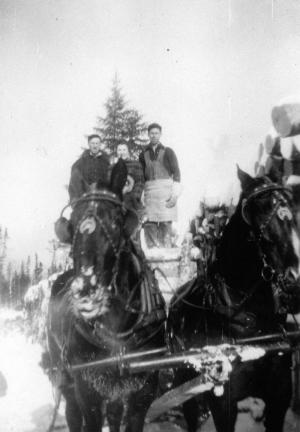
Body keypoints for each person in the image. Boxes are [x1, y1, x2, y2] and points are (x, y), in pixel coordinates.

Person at [139, 123, 181, 248]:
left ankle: (167, 259)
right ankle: (151, 260)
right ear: (148, 135)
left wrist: (175, 196)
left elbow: (177, 174)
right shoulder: (143, 154)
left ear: (160, 134)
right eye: (151, 133)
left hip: (165, 195)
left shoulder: (168, 152)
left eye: (156, 133)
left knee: (166, 227)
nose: (154, 135)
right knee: (149, 225)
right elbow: (141, 178)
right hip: (150, 195)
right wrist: (142, 197)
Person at [68, 134, 110, 202]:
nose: (95, 146)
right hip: (85, 197)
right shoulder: (79, 163)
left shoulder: (106, 162)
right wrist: (75, 199)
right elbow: (74, 183)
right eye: (92, 143)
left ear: (100, 145)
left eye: (97, 143)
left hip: (102, 196)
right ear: (89, 144)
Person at [116, 142, 145, 214]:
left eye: (124, 150)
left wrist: (135, 196)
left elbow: (140, 182)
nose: (122, 152)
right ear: (116, 152)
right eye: (119, 150)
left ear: (128, 151)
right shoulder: (112, 167)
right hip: (116, 197)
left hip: (131, 198)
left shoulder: (136, 164)